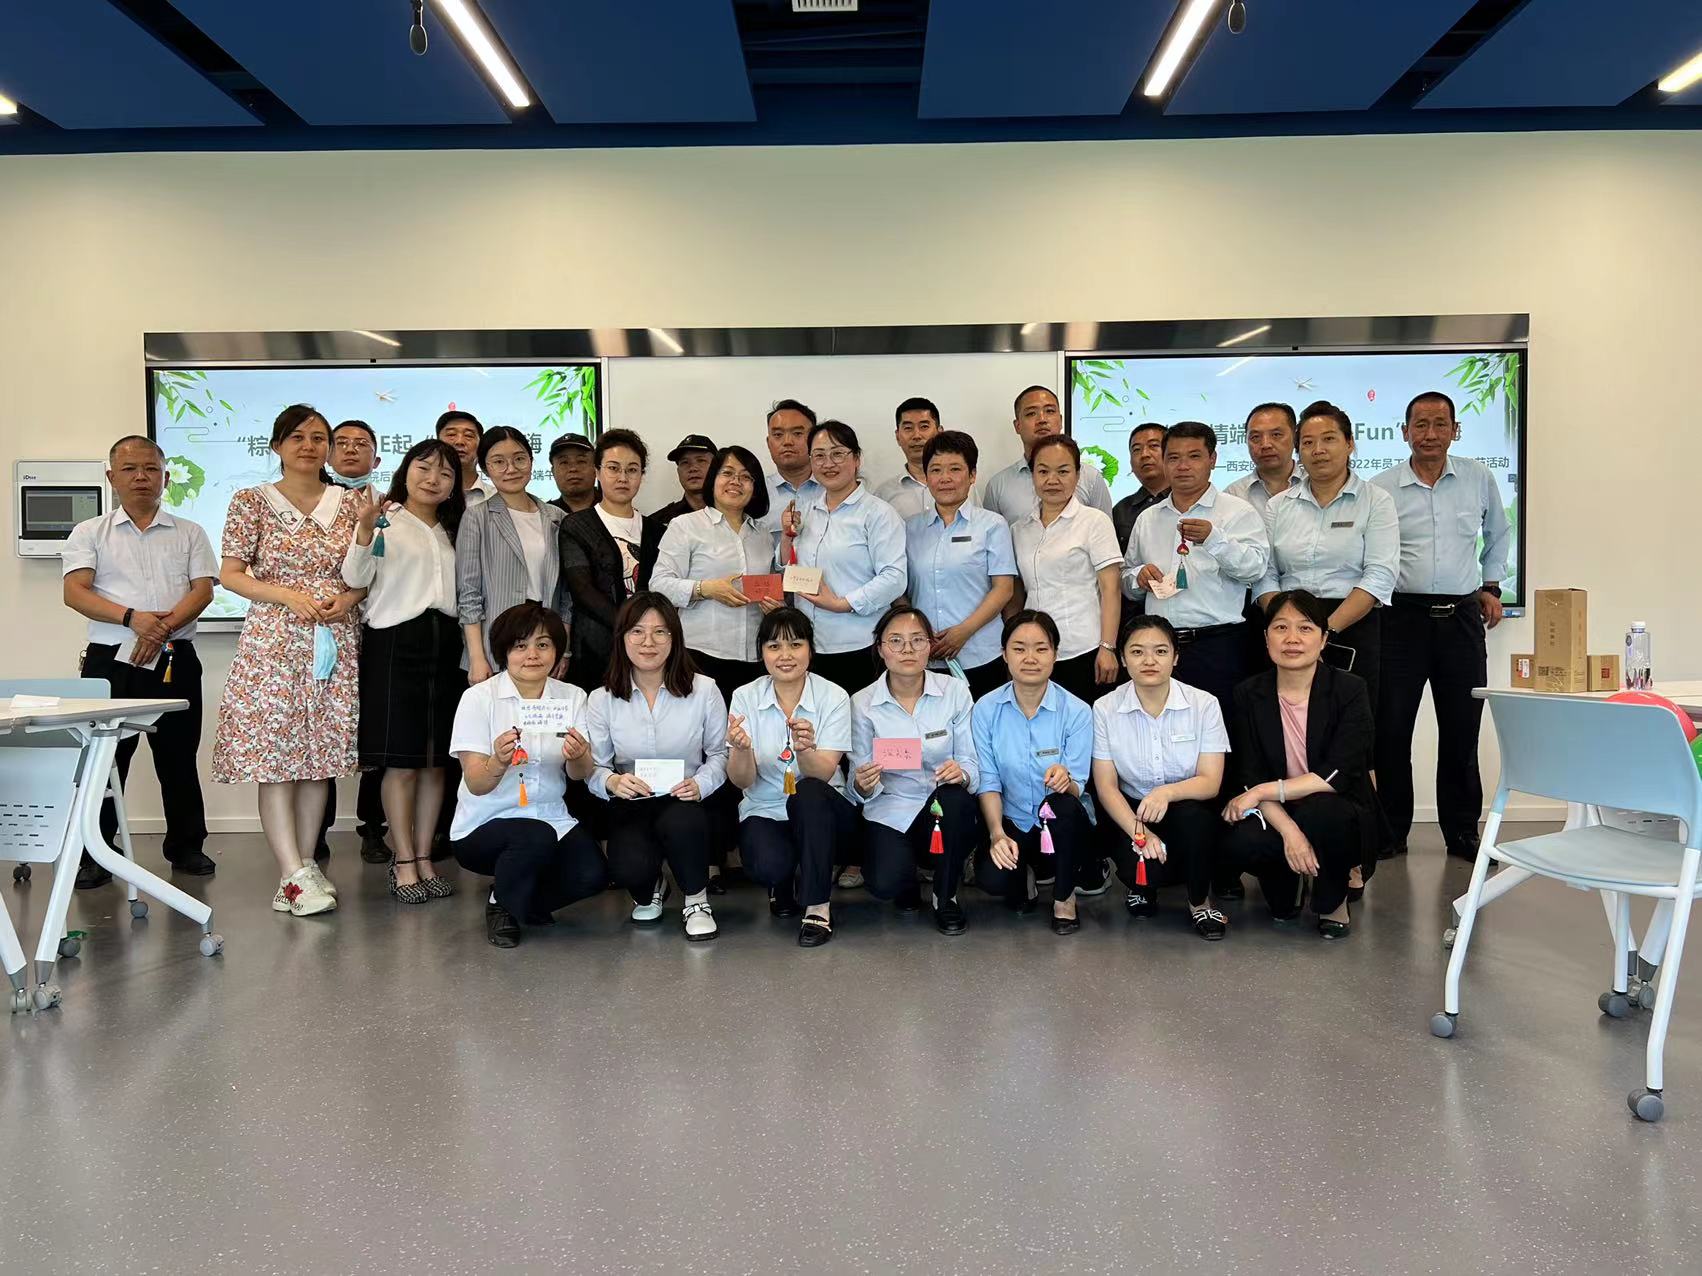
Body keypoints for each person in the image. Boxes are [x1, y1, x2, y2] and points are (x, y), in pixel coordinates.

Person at [211, 405, 362, 917]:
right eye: (297, 437)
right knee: (275, 759)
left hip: (333, 638)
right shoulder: (251, 501)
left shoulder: (351, 503)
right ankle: (290, 872)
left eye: (319, 438)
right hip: (273, 642)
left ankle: (304, 865)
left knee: (319, 758)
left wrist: (348, 598)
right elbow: (231, 574)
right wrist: (285, 595)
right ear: (277, 445)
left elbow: (368, 571)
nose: (309, 446)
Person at [61, 435, 217, 887]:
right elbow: (75, 593)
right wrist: (133, 619)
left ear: (165, 478)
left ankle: (186, 846)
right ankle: (95, 851)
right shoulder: (90, 532)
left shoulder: (190, 532)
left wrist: (158, 630)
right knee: (106, 759)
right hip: (111, 661)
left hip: (173, 657)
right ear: (112, 477)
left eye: (151, 469)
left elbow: (202, 592)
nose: (141, 477)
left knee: (178, 756)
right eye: (130, 469)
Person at [1371, 390, 1510, 861]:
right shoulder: (1382, 487)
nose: (1429, 434)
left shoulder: (1478, 478)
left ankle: (1462, 832)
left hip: (1461, 620)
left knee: (1461, 731)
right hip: (1399, 618)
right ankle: (1391, 832)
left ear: (1455, 430)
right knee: (1391, 732)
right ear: (1404, 432)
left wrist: (1491, 585)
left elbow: (1498, 534)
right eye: (1420, 425)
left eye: (1439, 424)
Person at [341, 438, 466, 903]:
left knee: (436, 763)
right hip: (394, 644)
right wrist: (363, 530)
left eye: (445, 473)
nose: (433, 479)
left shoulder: (455, 528)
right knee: (402, 762)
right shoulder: (385, 520)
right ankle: (404, 860)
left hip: (446, 645)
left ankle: (426, 857)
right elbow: (355, 579)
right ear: (405, 471)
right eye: (424, 468)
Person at [1223, 590, 1380, 939]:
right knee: (1241, 841)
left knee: (1322, 813)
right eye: (1281, 628)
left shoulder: (1350, 689)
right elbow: (1250, 776)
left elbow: (1338, 774)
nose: (1292, 638)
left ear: (1323, 639)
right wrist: (1290, 832)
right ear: (1266, 639)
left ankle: (1333, 901)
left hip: (1335, 805)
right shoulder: (1248, 694)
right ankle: (1289, 879)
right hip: (1278, 808)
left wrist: (1264, 791)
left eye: (1305, 628)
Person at [447, 602, 605, 948]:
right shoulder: (478, 698)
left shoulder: (572, 697)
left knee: (592, 875)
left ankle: (518, 895)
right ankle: (501, 905)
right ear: (504, 651)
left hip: (550, 817)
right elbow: (476, 783)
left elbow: (579, 774)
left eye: (543, 644)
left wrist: (580, 755)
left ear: (557, 651)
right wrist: (497, 762)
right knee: (535, 836)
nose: (532, 655)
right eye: (521, 646)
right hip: (485, 823)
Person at [587, 593, 729, 941]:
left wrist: (701, 784)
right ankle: (652, 885)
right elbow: (595, 766)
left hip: (684, 797)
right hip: (633, 800)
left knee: (684, 823)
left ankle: (696, 900)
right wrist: (612, 782)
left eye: (660, 632)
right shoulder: (602, 698)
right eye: (637, 631)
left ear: (674, 638)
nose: (648, 642)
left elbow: (719, 755)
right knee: (627, 867)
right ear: (622, 638)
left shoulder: (704, 690)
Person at [1091, 615, 1232, 941]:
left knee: (1197, 821)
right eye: (1137, 652)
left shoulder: (1204, 704)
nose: (1149, 660)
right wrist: (1139, 833)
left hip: (1185, 806)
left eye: (1160, 651)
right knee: (1143, 868)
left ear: (1176, 657)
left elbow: (1210, 782)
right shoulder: (1105, 708)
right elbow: (1106, 786)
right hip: (1132, 811)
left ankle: (1199, 902)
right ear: (1123, 659)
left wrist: (1166, 793)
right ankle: (1142, 887)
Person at [1254, 400, 1399, 710]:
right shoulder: (1278, 506)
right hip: (1288, 628)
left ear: (1349, 443)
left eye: (1329, 439)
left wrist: (1324, 632)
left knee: (1349, 723)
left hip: (1351, 623)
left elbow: (1379, 575)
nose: (1318, 450)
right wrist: (1287, 626)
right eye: (1307, 442)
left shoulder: (1376, 501)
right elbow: (1265, 573)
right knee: (1287, 722)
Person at [727, 607, 858, 946]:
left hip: (823, 813)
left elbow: (823, 773)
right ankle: (782, 880)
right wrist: (740, 750)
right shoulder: (744, 697)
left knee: (808, 791)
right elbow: (741, 781)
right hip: (766, 808)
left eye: (795, 645)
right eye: (774, 646)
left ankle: (817, 906)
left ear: (810, 650)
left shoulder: (833, 696)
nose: (785, 655)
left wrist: (805, 750)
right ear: (762, 653)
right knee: (767, 865)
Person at [1124, 421, 1269, 718]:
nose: (1183, 466)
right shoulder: (1148, 518)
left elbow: (1255, 569)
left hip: (1219, 645)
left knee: (1222, 730)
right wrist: (1138, 578)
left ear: (1212, 460)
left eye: (1194, 456)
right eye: (1174, 458)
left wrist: (1215, 540)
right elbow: (1126, 578)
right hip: (1160, 647)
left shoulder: (1237, 511)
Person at [850, 606, 981, 935]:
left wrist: (962, 773)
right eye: (896, 641)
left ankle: (945, 895)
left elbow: (972, 762)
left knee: (955, 799)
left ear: (930, 646)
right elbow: (857, 782)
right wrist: (863, 783)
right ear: (880, 649)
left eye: (917, 640)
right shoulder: (862, 703)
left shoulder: (955, 692)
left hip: (943, 806)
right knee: (885, 884)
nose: (907, 649)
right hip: (891, 808)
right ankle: (906, 877)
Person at [972, 611, 1095, 935]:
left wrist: (1066, 780)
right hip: (1013, 819)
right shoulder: (985, 709)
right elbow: (988, 780)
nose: (1030, 658)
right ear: (1004, 654)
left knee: (1063, 805)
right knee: (994, 880)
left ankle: (1064, 898)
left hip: (1060, 823)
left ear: (1055, 654)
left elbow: (1078, 786)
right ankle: (1025, 873)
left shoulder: (1077, 711)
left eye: (1041, 648)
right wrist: (997, 834)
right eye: (1019, 648)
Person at [776, 420, 907, 692]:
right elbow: (789, 567)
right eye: (819, 456)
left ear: (856, 459)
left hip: (859, 645)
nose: (828, 464)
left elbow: (895, 578)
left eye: (837, 454)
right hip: (808, 646)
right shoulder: (805, 510)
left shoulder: (878, 513)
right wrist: (787, 537)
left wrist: (841, 603)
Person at [650, 444, 779, 702]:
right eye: (727, 473)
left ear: (755, 487)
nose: (735, 482)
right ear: (713, 480)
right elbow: (658, 585)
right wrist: (705, 589)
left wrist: (776, 606)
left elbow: (772, 585)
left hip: (755, 656)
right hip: (699, 656)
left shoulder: (763, 534)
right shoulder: (685, 526)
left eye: (745, 476)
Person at [318, 417, 389, 865]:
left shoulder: (390, 506)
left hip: (376, 631)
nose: (350, 450)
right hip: (326, 630)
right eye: (340, 443)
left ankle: (373, 829)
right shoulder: (314, 501)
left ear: (376, 459)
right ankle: (317, 831)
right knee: (320, 730)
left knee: (377, 734)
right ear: (327, 454)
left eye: (360, 443)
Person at [903, 431, 1018, 700]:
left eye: (955, 469)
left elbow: (1004, 589)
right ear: (926, 476)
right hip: (925, 656)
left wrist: (963, 632)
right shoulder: (910, 528)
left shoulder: (992, 525)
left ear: (972, 475)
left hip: (980, 653)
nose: (945, 478)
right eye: (936, 470)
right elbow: (899, 589)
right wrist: (919, 633)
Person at [1009, 436, 1123, 705]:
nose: (1052, 480)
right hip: (1034, 652)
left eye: (1063, 471)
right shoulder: (1019, 529)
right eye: (1043, 471)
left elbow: (1111, 589)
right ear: (1033, 475)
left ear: (1077, 475)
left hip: (1084, 647)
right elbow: (1017, 591)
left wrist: (1108, 647)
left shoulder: (1094, 522)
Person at [456, 427, 565, 684]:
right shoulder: (477, 517)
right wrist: (477, 657)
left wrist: (564, 648)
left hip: (545, 643)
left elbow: (565, 595)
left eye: (519, 459)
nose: (511, 469)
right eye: (498, 462)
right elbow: (469, 593)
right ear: (485, 468)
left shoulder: (556, 517)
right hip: (496, 644)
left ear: (531, 461)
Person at [558, 428, 664, 692]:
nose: (623, 478)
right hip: (596, 649)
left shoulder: (658, 531)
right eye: (613, 468)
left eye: (632, 470)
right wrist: (632, 628)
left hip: (650, 651)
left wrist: (645, 634)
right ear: (597, 472)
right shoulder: (577, 525)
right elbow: (582, 590)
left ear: (641, 475)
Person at [983, 386, 1114, 524]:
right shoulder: (998, 486)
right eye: (1031, 413)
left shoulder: (1090, 477)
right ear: (1017, 426)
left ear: (1061, 420)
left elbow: (1104, 529)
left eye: (1050, 411)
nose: (1042, 419)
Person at [1225, 402, 1302, 517]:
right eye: (1256, 437)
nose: (1266, 445)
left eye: (1276, 435)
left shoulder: (1317, 485)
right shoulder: (1233, 495)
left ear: (1295, 438)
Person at [873, 396, 941, 520]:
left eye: (924, 426)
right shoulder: (883, 495)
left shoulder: (963, 485)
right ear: (898, 436)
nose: (916, 436)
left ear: (939, 432)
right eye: (908, 428)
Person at [758, 398, 822, 526]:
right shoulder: (755, 494)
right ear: (769, 443)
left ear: (814, 440)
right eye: (778, 435)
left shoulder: (833, 489)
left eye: (797, 433)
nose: (787, 441)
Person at [1111, 422, 1171, 550]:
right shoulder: (1121, 511)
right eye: (1136, 449)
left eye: (1153, 446)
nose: (1144, 454)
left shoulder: (1188, 502)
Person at [652, 434, 717, 527]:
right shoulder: (658, 523)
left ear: (717, 467)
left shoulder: (734, 516)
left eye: (701, 461)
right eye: (685, 462)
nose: (693, 468)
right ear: (678, 471)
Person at [436, 409, 494, 506]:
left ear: (481, 445)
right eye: (451, 434)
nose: (460, 442)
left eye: (468, 435)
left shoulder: (498, 498)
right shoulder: (421, 496)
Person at [547, 433, 598, 515]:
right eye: (564, 462)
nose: (573, 469)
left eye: (581, 461)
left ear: (596, 469)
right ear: (553, 472)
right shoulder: (545, 515)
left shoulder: (614, 508)